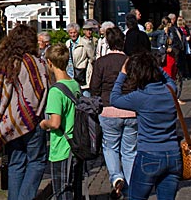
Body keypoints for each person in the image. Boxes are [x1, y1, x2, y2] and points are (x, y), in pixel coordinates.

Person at [0, 24, 48, 198]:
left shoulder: (4, 63)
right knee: (37, 161)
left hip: (11, 123)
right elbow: (42, 90)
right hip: (33, 121)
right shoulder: (37, 63)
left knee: (16, 162)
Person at [110, 51, 180, 200]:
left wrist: (122, 74)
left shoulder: (140, 97)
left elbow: (114, 98)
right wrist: (154, 66)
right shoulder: (171, 90)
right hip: (173, 153)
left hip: (149, 154)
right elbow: (168, 78)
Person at [90, 26, 137, 200]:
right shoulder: (130, 61)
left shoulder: (101, 62)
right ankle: (131, 186)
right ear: (122, 42)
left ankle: (116, 176)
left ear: (108, 42)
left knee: (110, 147)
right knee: (130, 151)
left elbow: (94, 87)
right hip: (130, 110)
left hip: (108, 110)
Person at [39, 43, 83, 200]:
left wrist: (44, 124)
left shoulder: (56, 91)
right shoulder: (75, 84)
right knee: (76, 190)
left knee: (62, 192)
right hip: (76, 146)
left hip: (62, 148)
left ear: (50, 63)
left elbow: (55, 123)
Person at [66, 23, 94, 88]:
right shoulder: (67, 43)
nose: (73, 35)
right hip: (70, 72)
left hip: (82, 73)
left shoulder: (85, 42)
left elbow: (91, 57)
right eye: (71, 33)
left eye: (74, 33)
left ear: (78, 32)